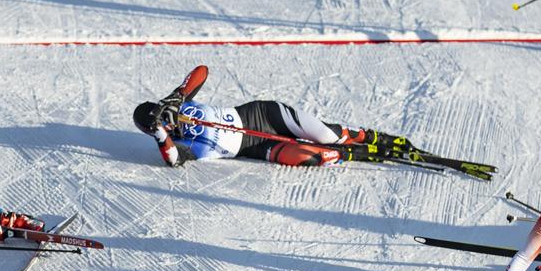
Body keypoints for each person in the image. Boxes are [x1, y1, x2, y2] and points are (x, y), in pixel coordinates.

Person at [133, 65, 416, 168]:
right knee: (312, 155)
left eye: (161, 116)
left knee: (329, 135)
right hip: (254, 147)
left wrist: (176, 97)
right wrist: (161, 132)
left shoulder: (178, 105)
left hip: (261, 115)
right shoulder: (179, 146)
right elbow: (171, 160)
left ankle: (374, 137)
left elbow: (201, 71)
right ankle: (354, 154)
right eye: (157, 126)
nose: (166, 122)